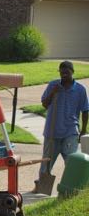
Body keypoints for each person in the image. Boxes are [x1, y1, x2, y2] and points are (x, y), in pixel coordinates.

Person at [34, 60, 88, 189]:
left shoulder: (80, 89)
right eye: (62, 72)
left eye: (67, 72)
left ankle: (72, 188)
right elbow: (45, 104)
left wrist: (84, 130)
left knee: (71, 163)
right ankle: (41, 187)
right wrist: (53, 92)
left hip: (70, 131)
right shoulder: (53, 85)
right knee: (46, 163)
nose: (64, 75)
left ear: (72, 72)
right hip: (51, 132)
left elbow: (85, 110)